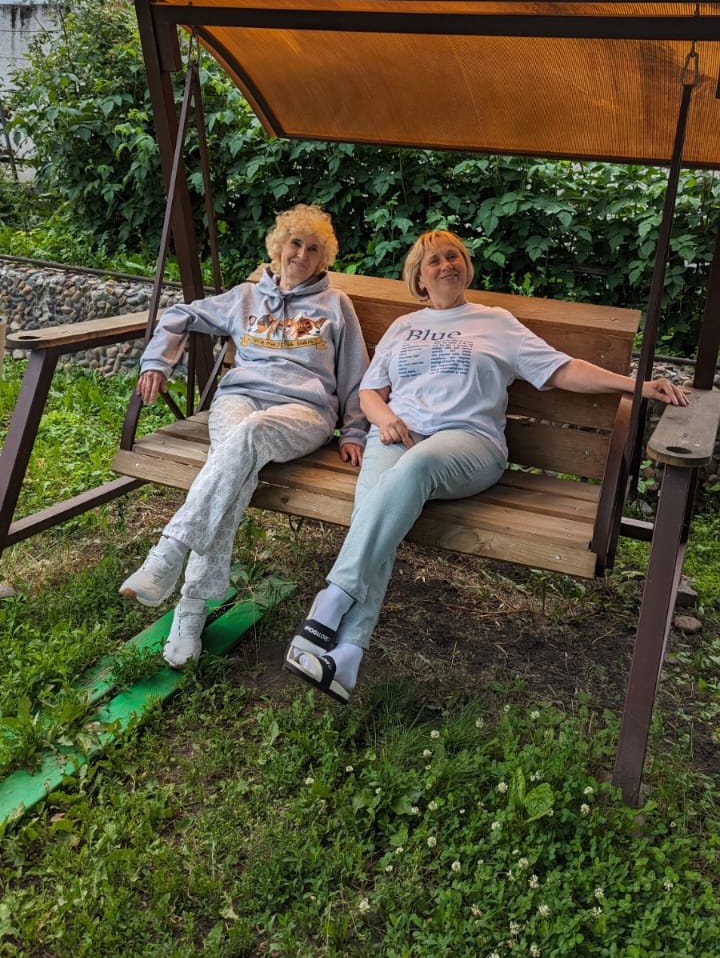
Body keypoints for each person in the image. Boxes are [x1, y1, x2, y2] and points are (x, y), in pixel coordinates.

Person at [285, 229, 688, 704]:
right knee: (375, 508)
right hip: (396, 434)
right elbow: (371, 391)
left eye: (453, 256)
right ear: (419, 279)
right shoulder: (403, 326)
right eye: (434, 261)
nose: (446, 265)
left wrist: (637, 385)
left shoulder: (496, 322)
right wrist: (385, 418)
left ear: (466, 266)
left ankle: (332, 598)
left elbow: (560, 368)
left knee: (411, 472)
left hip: (468, 442)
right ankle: (348, 655)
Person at [120, 203, 369, 668]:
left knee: (248, 435)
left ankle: (168, 553)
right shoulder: (246, 297)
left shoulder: (337, 306)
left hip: (304, 411)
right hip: (240, 398)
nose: (302, 254)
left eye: (314, 249)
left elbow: (357, 375)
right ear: (278, 247)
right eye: (295, 243)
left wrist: (354, 430)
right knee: (235, 467)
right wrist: (156, 362)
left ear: (324, 259)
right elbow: (180, 314)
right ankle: (191, 606)